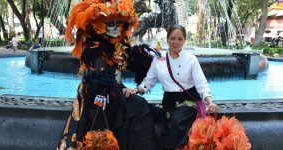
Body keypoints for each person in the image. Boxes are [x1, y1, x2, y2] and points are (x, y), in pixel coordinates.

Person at [57, 0, 160, 149]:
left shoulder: (120, 45)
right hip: (96, 91)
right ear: (99, 25)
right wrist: (102, 90)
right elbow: (98, 73)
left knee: (139, 105)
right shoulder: (94, 47)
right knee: (125, 108)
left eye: (120, 23)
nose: (117, 27)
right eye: (111, 23)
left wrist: (146, 57)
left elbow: (132, 62)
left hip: (115, 88)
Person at [124, 25, 219, 149]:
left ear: (185, 40)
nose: (176, 42)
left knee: (177, 121)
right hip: (169, 101)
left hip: (188, 101)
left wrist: (210, 102)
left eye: (180, 39)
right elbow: (149, 81)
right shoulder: (159, 59)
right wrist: (136, 90)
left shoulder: (191, 59)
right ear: (167, 39)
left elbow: (201, 83)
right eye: (173, 38)